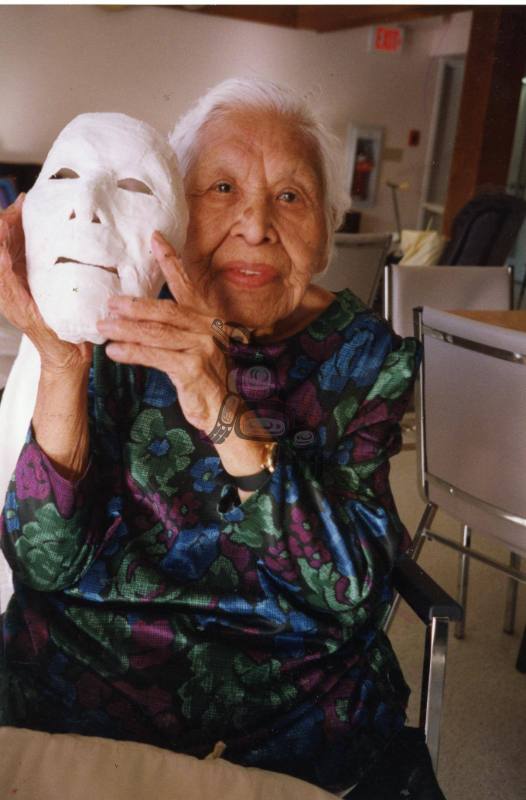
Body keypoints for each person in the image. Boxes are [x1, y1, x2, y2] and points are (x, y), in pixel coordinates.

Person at [0, 78, 421, 795]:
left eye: (291, 197)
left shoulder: (365, 357)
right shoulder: (113, 316)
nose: (256, 226)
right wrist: (62, 363)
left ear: (325, 233)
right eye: (220, 188)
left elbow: (348, 587)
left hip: (296, 703)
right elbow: (43, 562)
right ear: (169, 209)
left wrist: (218, 403)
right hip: (93, 679)